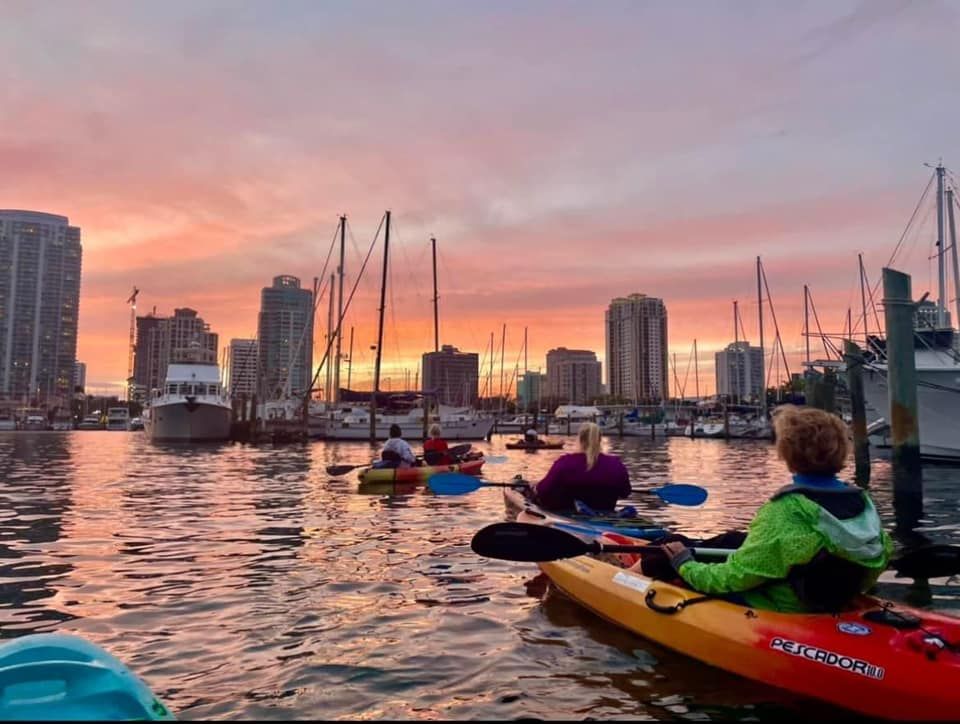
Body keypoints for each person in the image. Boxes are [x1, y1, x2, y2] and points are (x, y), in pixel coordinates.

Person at [636, 405, 893, 613]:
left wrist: (685, 564)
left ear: (786, 452)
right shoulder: (862, 501)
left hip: (784, 604)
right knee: (734, 539)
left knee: (674, 550)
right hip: (831, 596)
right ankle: (662, 556)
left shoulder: (787, 509)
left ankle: (627, 577)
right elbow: (875, 560)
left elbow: (732, 578)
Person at [532, 422, 630, 512]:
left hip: (567, 515)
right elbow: (625, 492)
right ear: (599, 440)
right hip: (605, 513)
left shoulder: (565, 462)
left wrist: (534, 488)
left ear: (580, 439)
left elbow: (543, 491)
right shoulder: (616, 464)